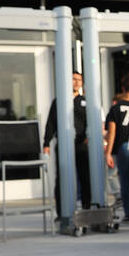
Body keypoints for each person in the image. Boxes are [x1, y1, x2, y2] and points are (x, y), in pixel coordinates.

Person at [42, 70, 90, 218]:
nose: (76, 82)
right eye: (73, 79)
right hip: (63, 144)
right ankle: (61, 212)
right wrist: (46, 143)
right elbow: (50, 122)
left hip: (81, 145)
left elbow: (91, 121)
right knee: (61, 177)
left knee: (85, 177)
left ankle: (87, 208)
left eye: (79, 80)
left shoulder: (85, 101)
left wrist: (90, 137)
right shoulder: (59, 101)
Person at [103, 75, 129, 224]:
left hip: (123, 146)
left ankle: (128, 213)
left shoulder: (116, 108)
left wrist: (108, 152)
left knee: (125, 181)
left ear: (122, 88)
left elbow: (112, 132)